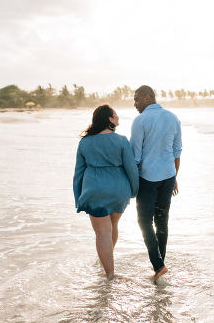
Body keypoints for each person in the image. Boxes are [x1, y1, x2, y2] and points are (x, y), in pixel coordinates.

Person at [73, 104, 139, 280]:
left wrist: (78, 198)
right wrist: (134, 190)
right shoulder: (121, 140)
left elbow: (78, 173)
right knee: (112, 226)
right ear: (110, 119)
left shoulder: (85, 142)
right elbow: (131, 169)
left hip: (94, 189)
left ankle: (110, 273)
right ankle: (107, 260)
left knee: (102, 232)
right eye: (116, 115)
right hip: (119, 189)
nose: (118, 118)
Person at [130, 85, 182, 284]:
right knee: (162, 221)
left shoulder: (141, 120)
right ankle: (160, 266)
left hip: (147, 179)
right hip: (168, 177)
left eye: (136, 100)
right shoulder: (173, 117)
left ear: (147, 97)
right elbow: (177, 151)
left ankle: (159, 266)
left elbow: (136, 156)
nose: (135, 104)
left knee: (144, 222)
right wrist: (174, 176)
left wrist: (133, 185)